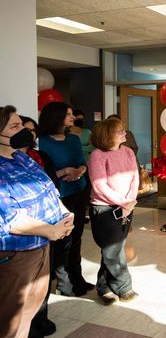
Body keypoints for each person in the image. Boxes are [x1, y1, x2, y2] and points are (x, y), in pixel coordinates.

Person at [0, 105, 74, 338]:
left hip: (41, 247)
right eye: (15, 126)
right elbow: (8, 218)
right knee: (10, 318)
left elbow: (49, 189)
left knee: (29, 311)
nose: (23, 130)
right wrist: (51, 230)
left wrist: (65, 215)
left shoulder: (22, 157)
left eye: (21, 124)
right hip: (17, 254)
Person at [38, 102, 93, 297]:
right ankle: (63, 282)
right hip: (59, 197)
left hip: (78, 191)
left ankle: (77, 277)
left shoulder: (73, 140)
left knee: (76, 237)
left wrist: (80, 171)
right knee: (62, 240)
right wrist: (64, 172)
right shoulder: (42, 142)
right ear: (56, 117)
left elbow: (83, 163)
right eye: (69, 114)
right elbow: (42, 173)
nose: (73, 117)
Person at [87, 117, 139, 305]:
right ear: (107, 135)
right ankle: (124, 286)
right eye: (120, 131)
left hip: (127, 206)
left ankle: (103, 287)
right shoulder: (97, 156)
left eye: (123, 130)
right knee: (113, 250)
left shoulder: (127, 152)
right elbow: (99, 185)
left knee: (112, 249)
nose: (125, 133)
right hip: (104, 208)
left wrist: (130, 201)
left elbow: (135, 176)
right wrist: (124, 202)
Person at [19, 116, 58, 337]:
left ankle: (40, 317)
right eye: (22, 129)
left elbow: (51, 186)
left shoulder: (36, 158)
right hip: (23, 235)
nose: (29, 134)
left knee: (44, 279)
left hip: (47, 229)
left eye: (33, 130)